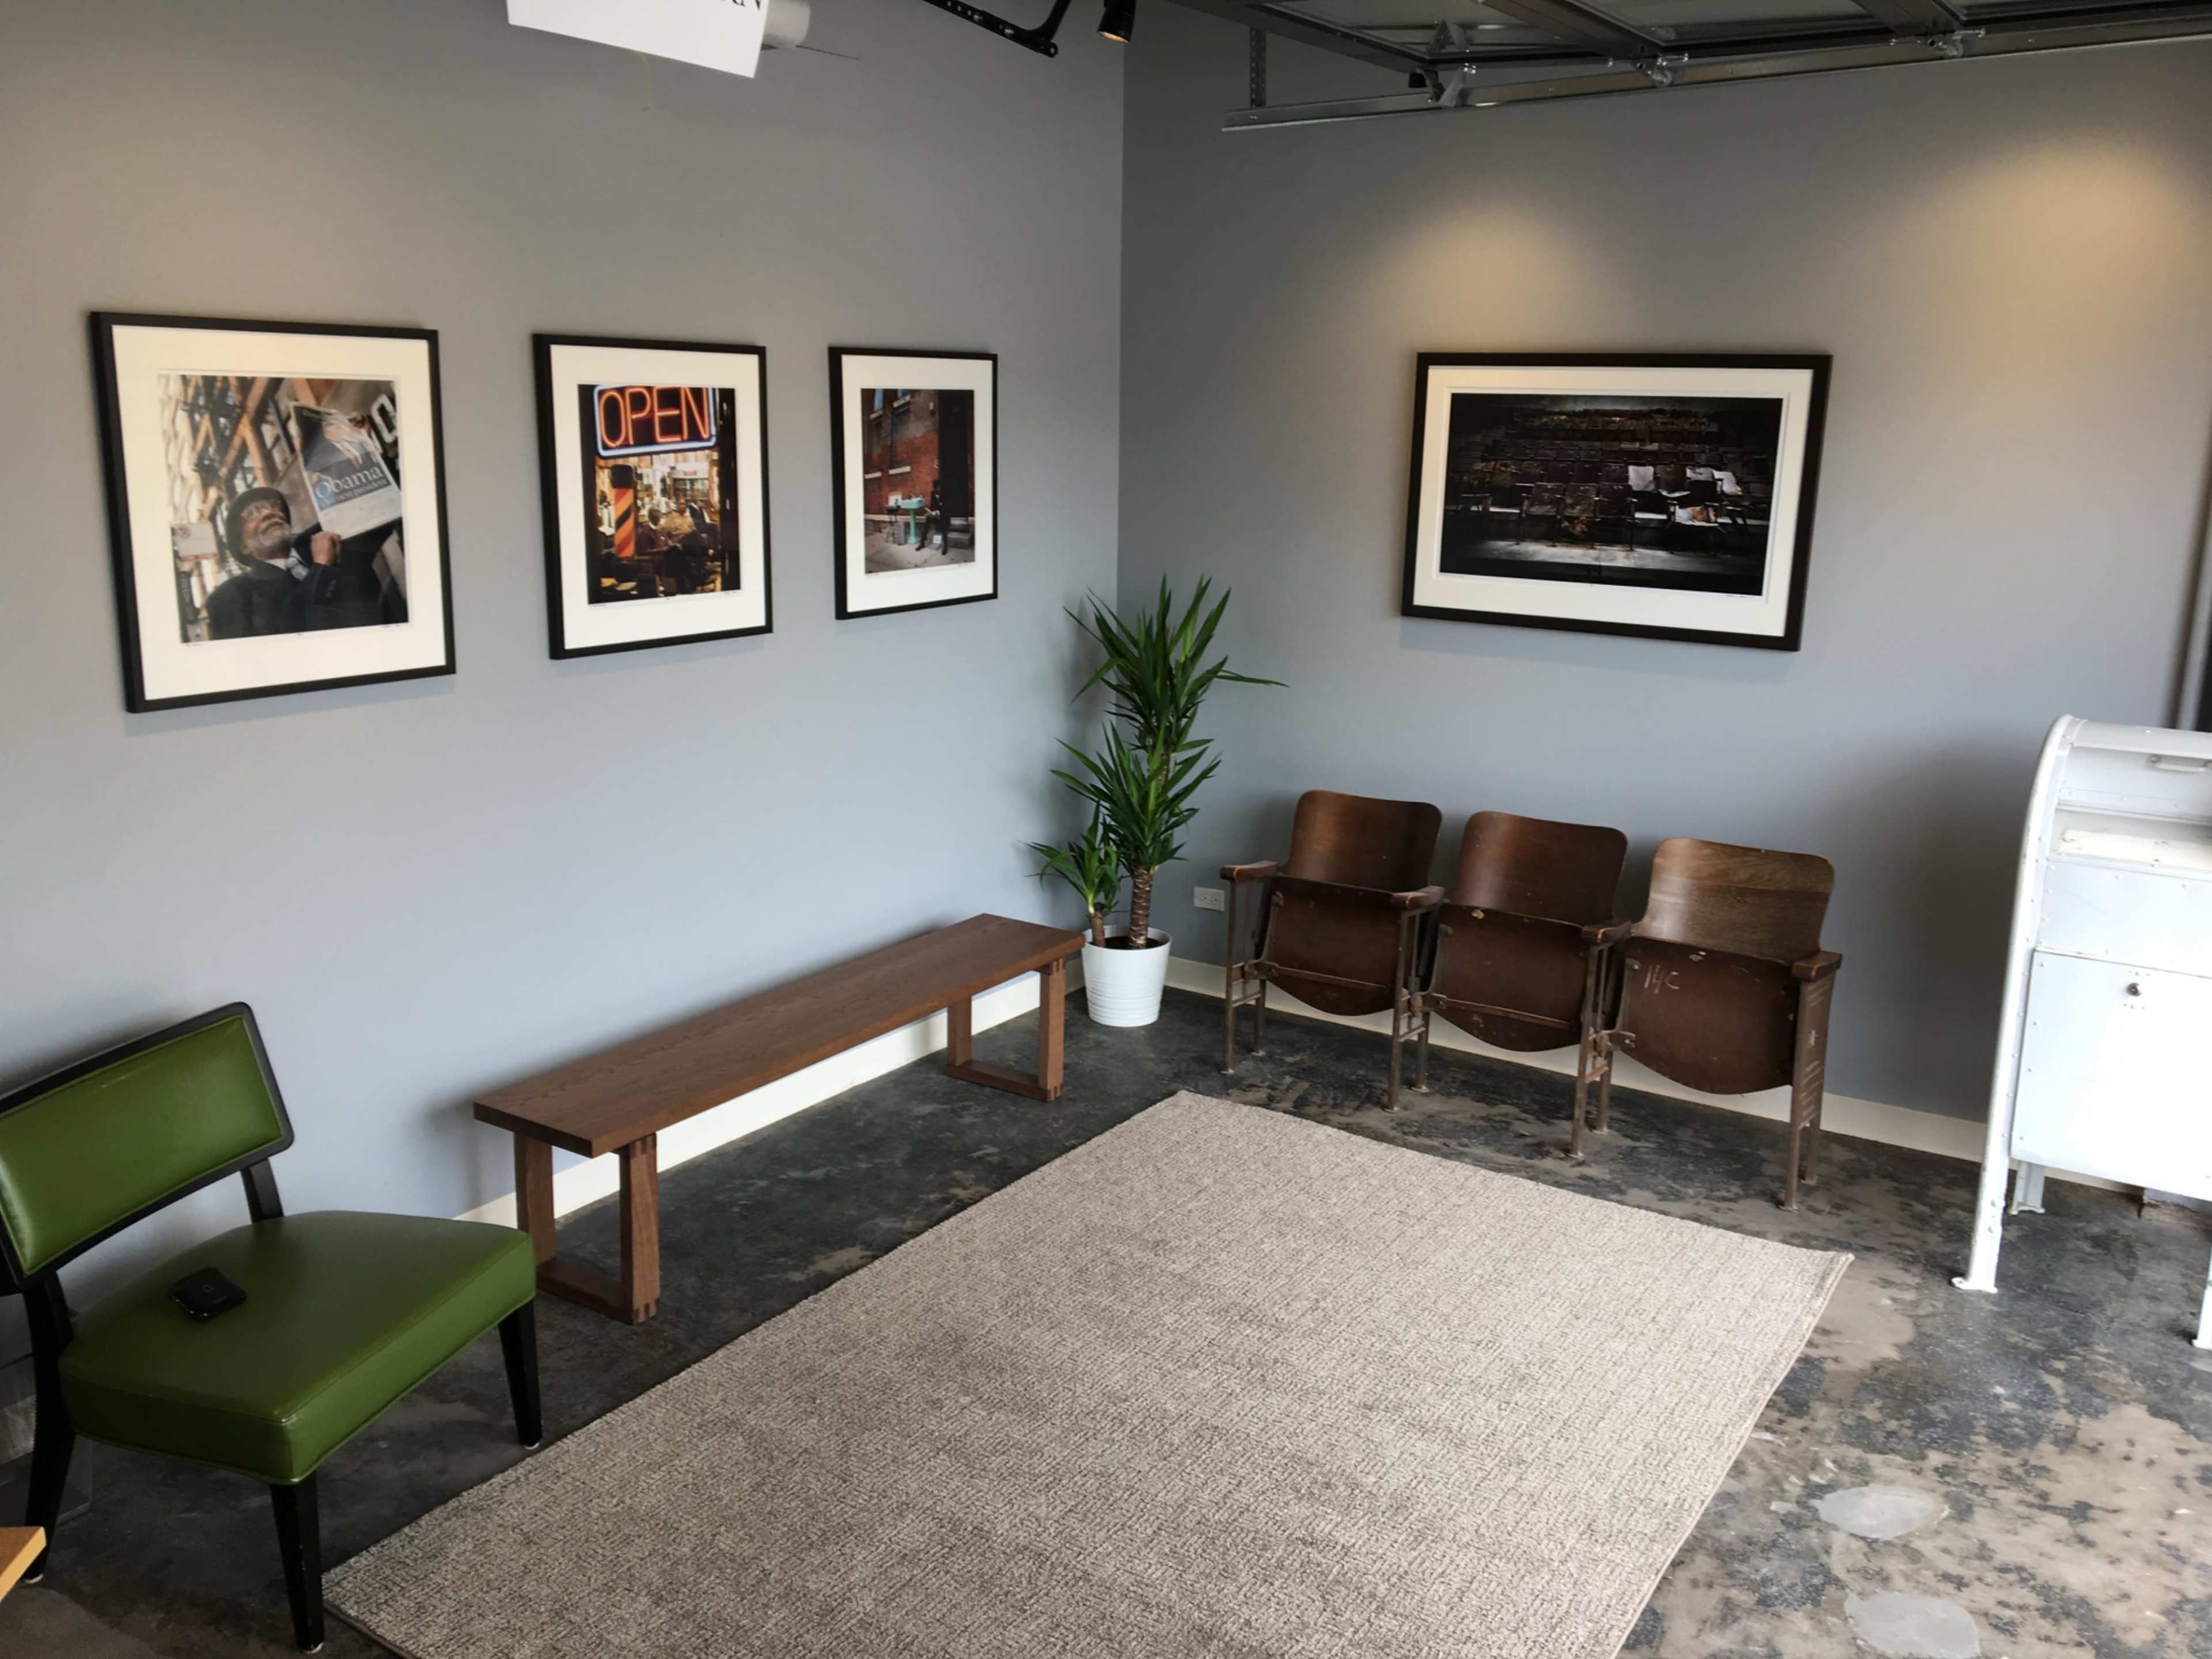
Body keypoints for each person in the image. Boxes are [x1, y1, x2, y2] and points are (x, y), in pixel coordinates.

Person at [203, 486, 396, 638]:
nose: (269, 512)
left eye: (272, 505)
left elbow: (386, 502)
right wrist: (322, 568)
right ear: (244, 547)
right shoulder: (230, 597)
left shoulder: (329, 531)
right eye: (252, 512)